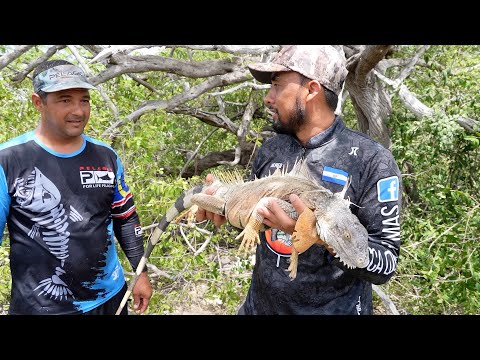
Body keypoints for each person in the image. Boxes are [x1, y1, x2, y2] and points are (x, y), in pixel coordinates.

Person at [196, 45, 402, 315]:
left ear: (312, 90)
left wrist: (317, 235)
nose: (269, 98)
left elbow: (385, 264)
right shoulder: (272, 149)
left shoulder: (372, 160)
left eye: (278, 86)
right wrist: (229, 211)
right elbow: (259, 227)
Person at [0, 59, 152, 315]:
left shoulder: (106, 157)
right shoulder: (9, 160)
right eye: (65, 100)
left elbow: (125, 218)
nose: (78, 110)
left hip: (109, 299)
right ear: (38, 102)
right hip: (39, 307)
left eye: (84, 99)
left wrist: (141, 272)